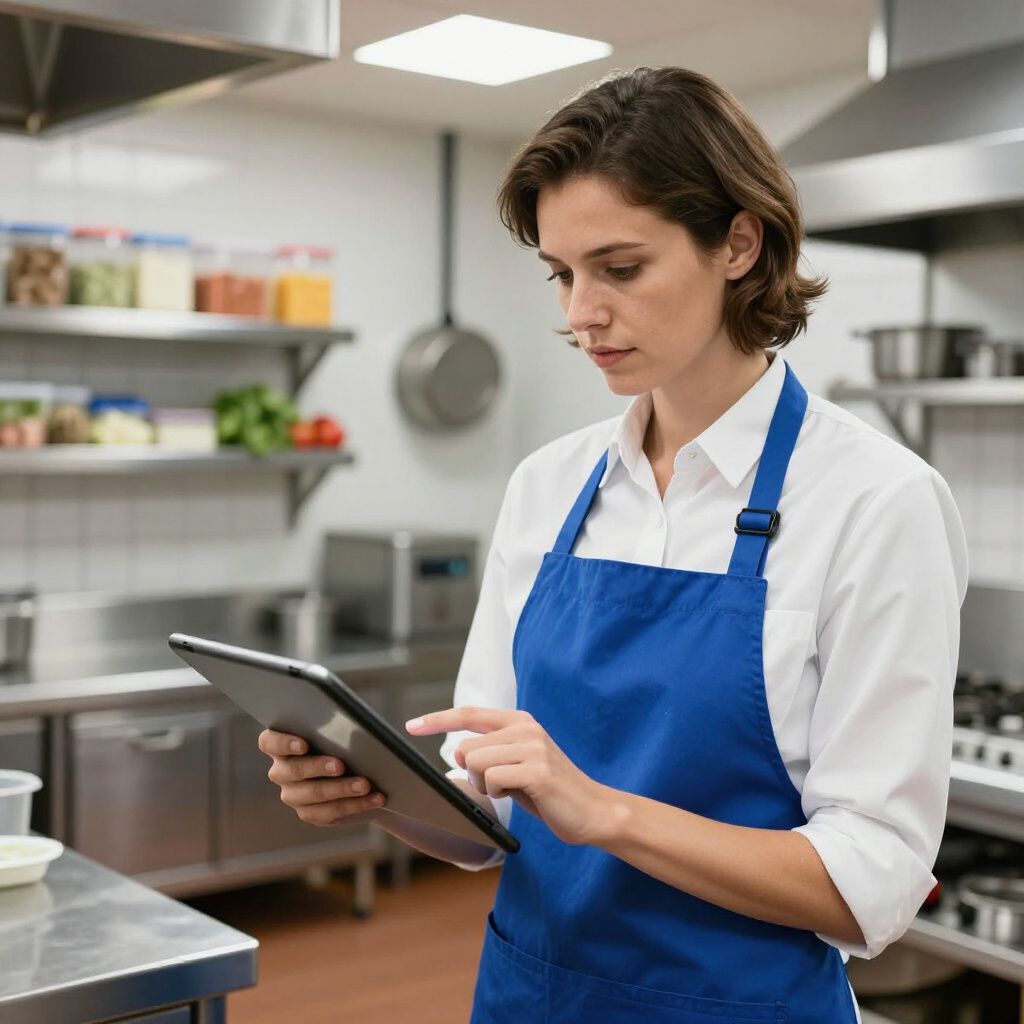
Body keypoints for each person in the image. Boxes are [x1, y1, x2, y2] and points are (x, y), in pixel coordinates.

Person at [259, 66, 968, 1024]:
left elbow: (872, 882)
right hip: (531, 995)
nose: (579, 313)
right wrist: (377, 794)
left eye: (620, 268)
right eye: (562, 273)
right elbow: (490, 812)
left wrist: (605, 813)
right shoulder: (547, 488)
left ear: (739, 243)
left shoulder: (876, 502)